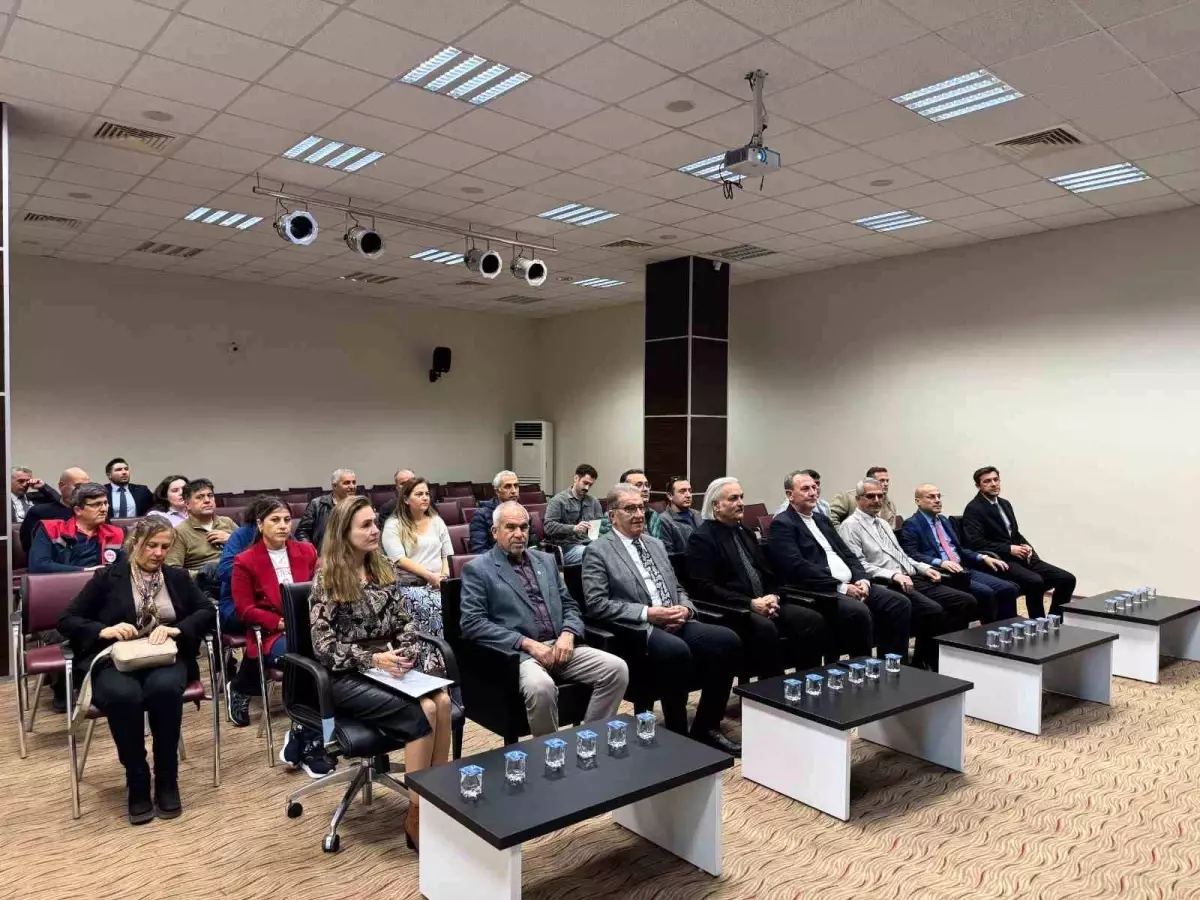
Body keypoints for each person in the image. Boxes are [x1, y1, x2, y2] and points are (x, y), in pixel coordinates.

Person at [310, 496, 454, 852]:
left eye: (375, 523)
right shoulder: (328, 577)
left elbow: (405, 623)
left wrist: (405, 651)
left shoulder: (384, 569)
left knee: (443, 701)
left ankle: (437, 799)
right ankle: (418, 813)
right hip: (347, 673)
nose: (375, 530)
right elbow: (323, 647)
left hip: (388, 666)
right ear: (344, 532)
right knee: (425, 710)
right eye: (365, 525)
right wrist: (373, 660)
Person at [58, 517, 215, 824]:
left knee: (164, 689)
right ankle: (137, 777)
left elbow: (207, 610)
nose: (158, 553)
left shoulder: (177, 577)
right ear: (134, 544)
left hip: (164, 656)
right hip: (116, 657)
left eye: (165, 547)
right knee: (124, 695)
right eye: (151, 546)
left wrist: (177, 629)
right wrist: (104, 630)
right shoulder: (108, 577)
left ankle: (167, 777)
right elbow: (67, 619)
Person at [583, 483, 742, 756]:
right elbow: (596, 604)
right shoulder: (599, 550)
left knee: (728, 641)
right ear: (612, 516)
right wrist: (648, 613)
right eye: (630, 509)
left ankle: (706, 726)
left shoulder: (655, 544)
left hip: (676, 619)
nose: (638, 515)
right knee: (676, 651)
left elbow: (677, 587)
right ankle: (677, 734)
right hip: (639, 627)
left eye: (641, 508)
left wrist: (685, 609)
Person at [460, 501, 629, 737]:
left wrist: (568, 634)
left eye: (524, 527)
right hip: (519, 654)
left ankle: (589, 739)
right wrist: (527, 643)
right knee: (541, 688)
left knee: (616, 669)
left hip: (560, 645)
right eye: (511, 527)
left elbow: (569, 604)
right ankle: (551, 752)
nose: (519, 534)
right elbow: (472, 623)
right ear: (495, 532)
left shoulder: (546, 560)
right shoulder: (478, 569)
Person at [687, 477, 828, 677]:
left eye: (741, 497)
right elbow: (704, 588)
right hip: (734, 609)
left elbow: (768, 573)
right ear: (716, 506)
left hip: (765, 602)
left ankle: (805, 682)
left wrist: (774, 596)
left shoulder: (744, 531)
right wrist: (751, 603)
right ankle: (772, 690)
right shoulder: (702, 538)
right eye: (733, 498)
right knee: (765, 629)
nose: (741, 503)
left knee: (811, 620)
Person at [768, 470, 908, 664]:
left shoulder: (821, 520)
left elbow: (848, 554)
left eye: (815, 488)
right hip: (820, 589)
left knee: (898, 603)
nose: (813, 493)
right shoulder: (782, 523)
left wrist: (862, 579)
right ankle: (862, 668)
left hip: (851, 583)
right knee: (859, 611)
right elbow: (797, 566)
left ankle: (892, 665)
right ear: (790, 495)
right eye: (805, 489)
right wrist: (841, 586)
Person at [228, 499, 326, 774]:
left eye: (286, 519)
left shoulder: (306, 551)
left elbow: (320, 590)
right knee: (308, 664)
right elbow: (245, 609)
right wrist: (280, 622)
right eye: (275, 520)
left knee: (328, 658)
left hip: (309, 627)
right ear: (260, 524)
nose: (283, 525)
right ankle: (312, 738)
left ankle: (305, 734)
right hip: (273, 632)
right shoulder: (245, 560)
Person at [837, 478, 975, 669]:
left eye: (880, 496)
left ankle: (938, 657)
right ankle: (919, 662)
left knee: (964, 601)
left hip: (910, 576)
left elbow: (902, 555)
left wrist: (924, 568)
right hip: (886, 582)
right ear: (858, 498)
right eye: (870, 496)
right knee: (932, 610)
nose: (876, 500)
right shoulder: (850, 526)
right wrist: (893, 575)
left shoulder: (882, 523)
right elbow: (859, 565)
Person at [961, 466, 1077, 618]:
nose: (993, 484)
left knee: (1067, 579)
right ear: (978, 486)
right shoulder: (973, 509)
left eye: (996, 480)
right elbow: (977, 543)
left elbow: (1014, 533)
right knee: (1035, 581)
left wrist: (1027, 547)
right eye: (987, 481)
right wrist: (1009, 549)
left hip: (1020, 556)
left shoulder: (1004, 503)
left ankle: (1055, 620)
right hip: (1000, 559)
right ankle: (1038, 622)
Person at [899, 484, 1019, 623]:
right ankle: (989, 632)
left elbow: (959, 549)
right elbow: (911, 554)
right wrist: (940, 562)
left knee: (1008, 588)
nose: (937, 500)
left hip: (963, 568)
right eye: (931, 497)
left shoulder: (943, 520)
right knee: (986, 593)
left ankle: (1008, 629)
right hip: (942, 573)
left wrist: (983, 557)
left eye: (939, 496)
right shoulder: (911, 524)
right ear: (918, 501)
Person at [382, 477, 453, 637]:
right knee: (437, 607)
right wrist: (430, 576)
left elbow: (447, 554)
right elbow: (399, 559)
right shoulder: (393, 525)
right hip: (411, 586)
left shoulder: (437, 521)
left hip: (439, 583)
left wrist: (444, 577)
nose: (425, 497)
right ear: (406, 499)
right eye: (419, 494)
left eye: (427, 494)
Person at [29, 483, 125, 573]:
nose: (104, 509)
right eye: (96, 504)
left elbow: (125, 567)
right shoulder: (51, 529)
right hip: (63, 582)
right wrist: (85, 571)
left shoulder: (115, 533)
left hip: (102, 582)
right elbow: (38, 565)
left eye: (105, 503)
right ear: (78, 510)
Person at [598, 469, 686, 553]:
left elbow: (660, 547)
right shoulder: (613, 515)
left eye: (647, 485)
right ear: (625, 489)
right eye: (638, 485)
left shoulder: (653, 514)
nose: (645, 489)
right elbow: (604, 549)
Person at [164, 479, 236, 573]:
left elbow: (252, 548)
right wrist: (202, 575)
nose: (207, 500)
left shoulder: (227, 522)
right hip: (206, 578)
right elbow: (173, 569)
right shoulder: (179, 532)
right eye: (199, 497)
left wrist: (231, 539)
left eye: (210, 496)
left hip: (237, 573)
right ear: (187, 504)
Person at [544, 463, 603, 565]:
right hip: (567, 547)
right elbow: (548, 527)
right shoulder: (558, 501)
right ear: (576, 478)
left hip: (589, 543)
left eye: (590, 485)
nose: (587, 488)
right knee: (594, 554)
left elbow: (600, 527)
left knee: (609, 551)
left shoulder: (594, 502)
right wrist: (574, 528)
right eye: (585, 483)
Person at [21, 467, 90, 551]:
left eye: (87, 487)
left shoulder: (93, 512)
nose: (83, 491)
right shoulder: (39, 512)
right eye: (78, 486)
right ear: (62, 486)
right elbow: (29, 546)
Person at [296, 468, 358, 550]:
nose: (352, 486)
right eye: (346, 483)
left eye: (354, 482)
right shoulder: (316, 504)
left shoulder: (359, 506)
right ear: (334, 486)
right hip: (324, 553)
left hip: (351, 553)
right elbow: (302, 532)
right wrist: (311, 551)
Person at [469, 469, 520, 554]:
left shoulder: (523, 512)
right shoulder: (481, 515)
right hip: (495, 560)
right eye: (508, 486)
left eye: (516, 486)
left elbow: (533, 546)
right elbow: (479, 550)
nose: (514, 491)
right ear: (497, 491)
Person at [829, 466, 896, 527]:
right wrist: (841, 535)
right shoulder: (847, 497)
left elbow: (890, 530)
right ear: (869, 481)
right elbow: (830, 517)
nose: (886, 484)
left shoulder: (890, 505)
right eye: (882, 480)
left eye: (887, 481)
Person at [662, 475, 703, 542]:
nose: (688, 495)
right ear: (670, 496)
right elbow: (666, 548)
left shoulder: (698, 514)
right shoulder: (664, 521)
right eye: (682, 491)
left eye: (690, 491)